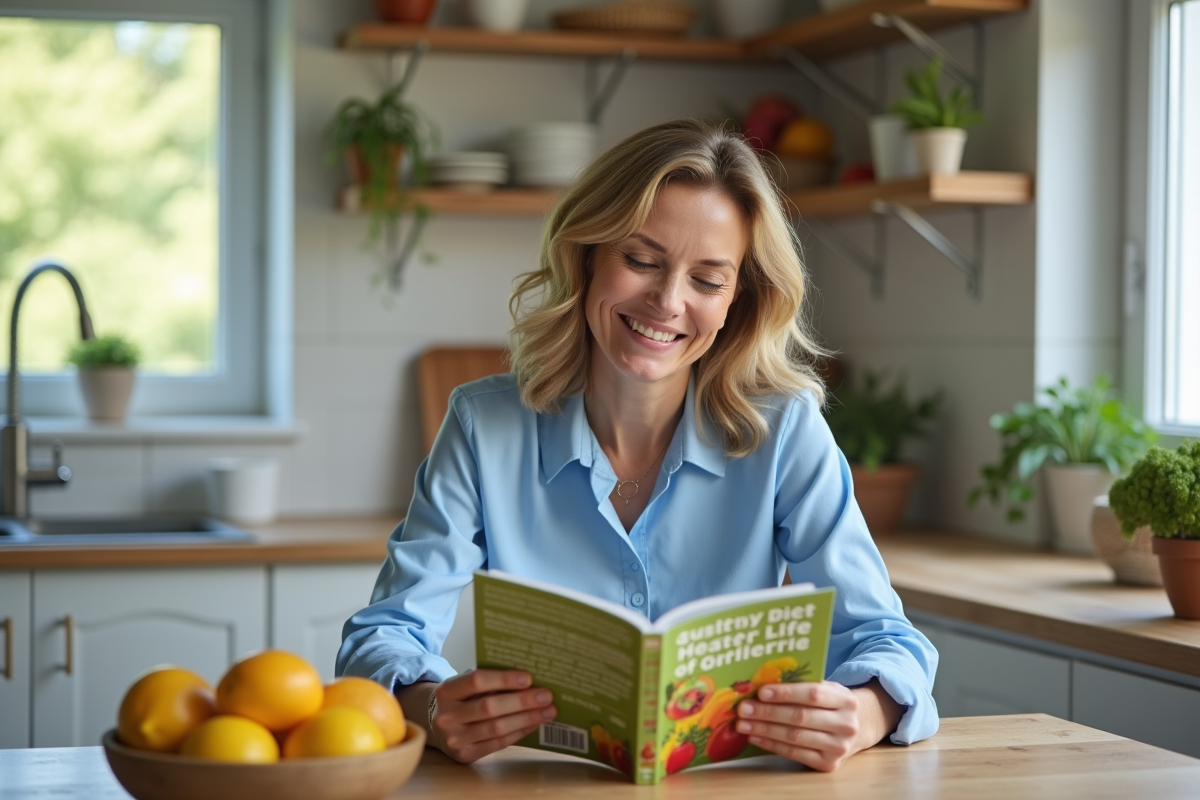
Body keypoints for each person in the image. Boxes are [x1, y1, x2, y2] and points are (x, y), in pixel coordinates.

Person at [337, 118, 938, 772]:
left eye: (707, 280)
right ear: (587, 254)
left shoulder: (785, 430)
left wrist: (865, 712)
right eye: (642, 261)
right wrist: (431, 706)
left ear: (739, 299)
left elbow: (886, 640)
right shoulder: (484, 426)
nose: (667, 301)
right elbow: (383, 635)